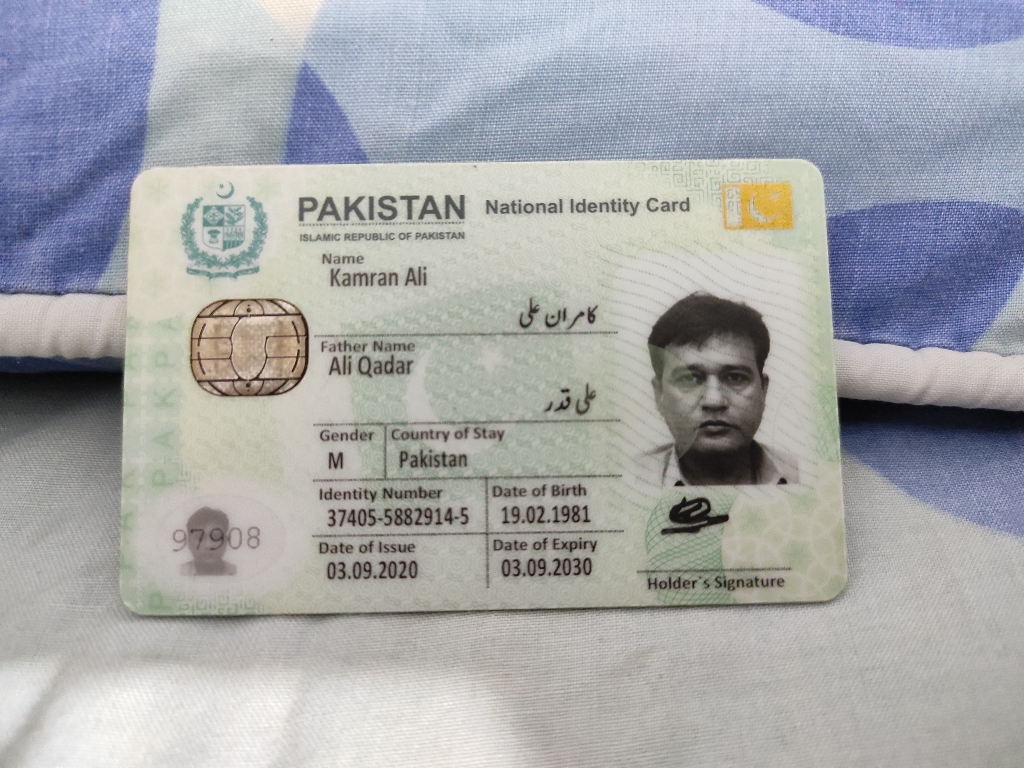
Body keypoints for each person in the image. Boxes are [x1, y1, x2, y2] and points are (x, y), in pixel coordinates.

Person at [639, 293, 799, 486]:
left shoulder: (806, 475)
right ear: (659, 394)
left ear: (763, 390)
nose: (714, 401)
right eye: (689, 379)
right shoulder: (627, 481)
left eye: (735, 378)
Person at [180, 506, 237, 576]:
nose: (208, 545)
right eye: (200, 538)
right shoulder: (178, 574)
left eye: (216, 537)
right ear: (188, 542)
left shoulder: (237, 573)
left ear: (226, 541)